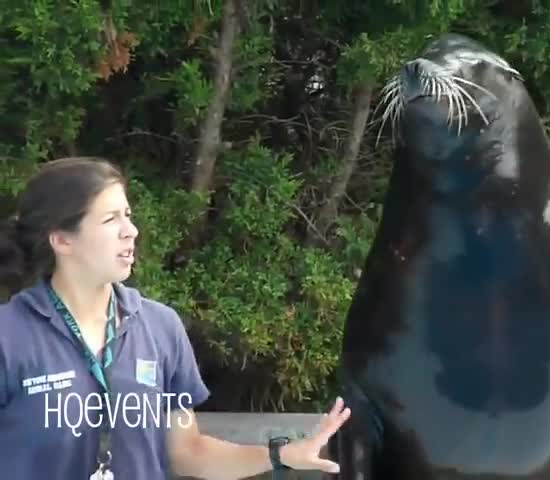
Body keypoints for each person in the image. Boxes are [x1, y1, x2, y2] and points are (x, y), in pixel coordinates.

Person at [0, 157, 351, 479]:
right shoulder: (9, 335)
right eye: (110, 219)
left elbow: (188, 453)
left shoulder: (159, 326)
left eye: (128, 214)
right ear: (62, 240)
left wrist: (282, 454)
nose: (130, 230)